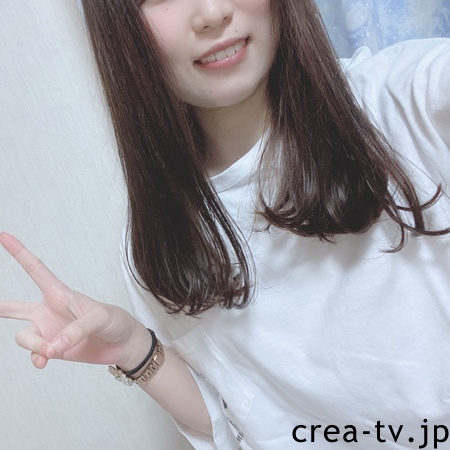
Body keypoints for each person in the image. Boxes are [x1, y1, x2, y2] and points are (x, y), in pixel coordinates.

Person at [1, 0, 449, 448]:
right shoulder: (160, 237)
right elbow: (249, 419)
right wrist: (133, 349)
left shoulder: (409, 99)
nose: (213, 12)